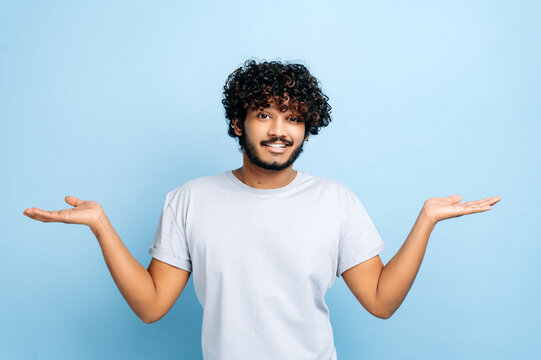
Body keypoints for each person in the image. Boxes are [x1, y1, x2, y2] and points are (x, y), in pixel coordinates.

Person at [23, 59, 501, 360]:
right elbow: (151, 307)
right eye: (265, 114)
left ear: (306, 128)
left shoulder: (334, 199)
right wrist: (101, 226)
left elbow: (380, 302)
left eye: (294, 118)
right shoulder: (189, 199)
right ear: (239, 123)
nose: (280, 129)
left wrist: (426, 222)